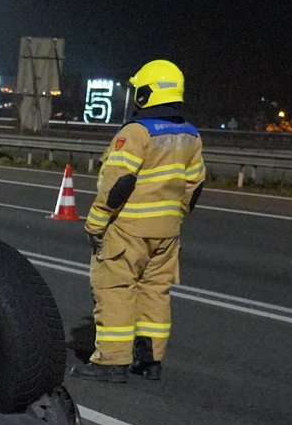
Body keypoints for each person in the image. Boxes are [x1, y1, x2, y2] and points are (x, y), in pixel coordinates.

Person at [72, 59, 205, 382]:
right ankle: (149, 360)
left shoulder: (136, 132)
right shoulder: (190, 134)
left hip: (128, 230)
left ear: (147, 93)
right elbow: (195, 183)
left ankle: (111, 363)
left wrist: (96, 222)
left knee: (115, 290)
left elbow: (119, 182)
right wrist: (175, 216)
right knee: (155, 292)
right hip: (167, 233)